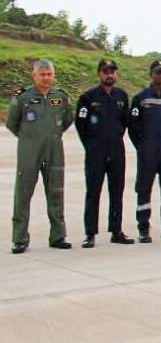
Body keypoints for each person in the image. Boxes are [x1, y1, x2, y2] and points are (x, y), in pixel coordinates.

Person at [8, 59, 73, 253]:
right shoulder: (23, 97)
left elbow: (67, 119)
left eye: (49, 74)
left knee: (56, 192)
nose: (46, 78)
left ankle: (58, 236)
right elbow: (12, 123)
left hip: (54, 149)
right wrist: (30, 138)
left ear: (53, 75)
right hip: (29, 150)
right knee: (23, 193)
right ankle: (20, 239)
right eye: (42, 74)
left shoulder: (60, 97)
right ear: (34, 75)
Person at [75, 59, 134, 247]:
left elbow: (125, 123)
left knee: (117, 191)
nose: (109, 75)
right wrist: (91, 145)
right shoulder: (88, 97)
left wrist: (115, 139)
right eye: (105, 72)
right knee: (93, 191)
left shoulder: (122, 96)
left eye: (112, 72)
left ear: (116, 74)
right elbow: (81, 125)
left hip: (116, 149)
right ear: (99, 74)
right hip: (95, 151)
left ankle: (116, 231)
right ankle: (90, 233)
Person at [128, 60, 161, 242]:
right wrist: (143, 146)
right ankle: (143, 228)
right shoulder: (140, 98)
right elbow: (133, 128)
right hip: (147, 151)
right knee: (144, 189)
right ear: (151, 74)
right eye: (158, 72)